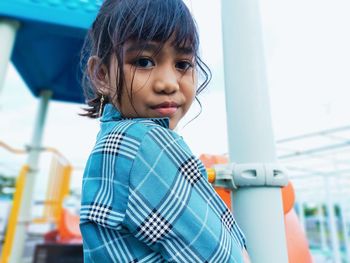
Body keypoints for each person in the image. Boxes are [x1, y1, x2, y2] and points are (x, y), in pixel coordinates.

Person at [79, 0, 250, 262]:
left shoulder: (109, 143)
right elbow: (225, 258)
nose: (168, 84)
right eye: (144, 61)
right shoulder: (139, 142)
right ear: (101, 74)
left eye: (183, 64)